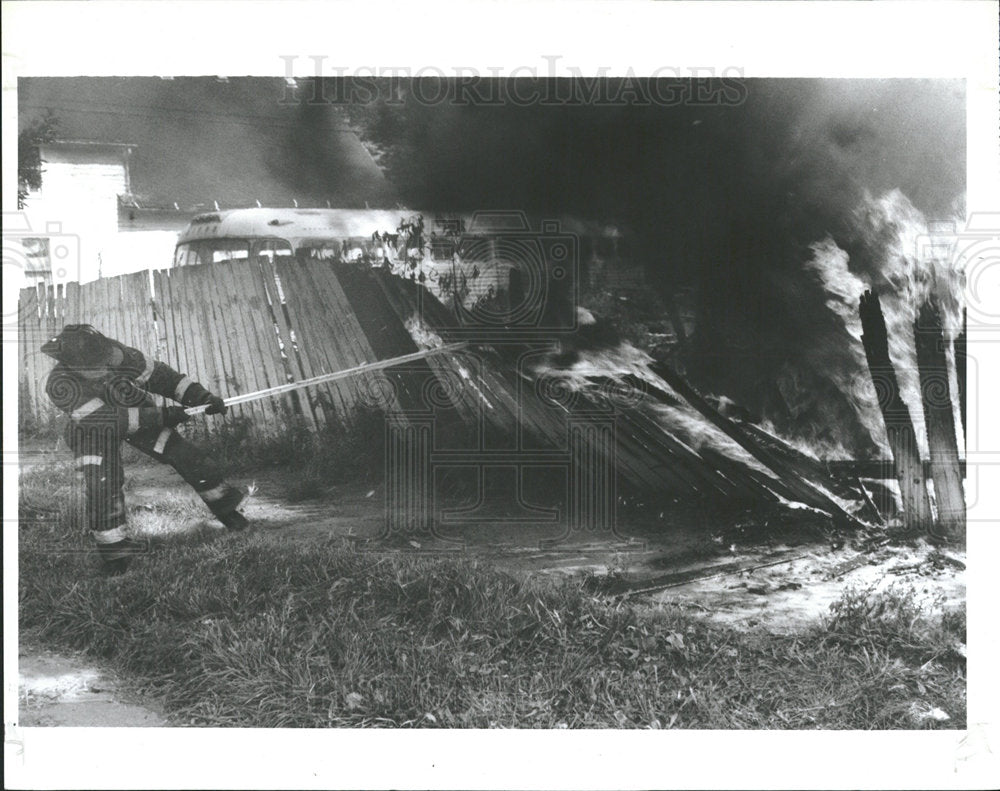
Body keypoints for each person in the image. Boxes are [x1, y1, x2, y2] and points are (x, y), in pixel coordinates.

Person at [41, 324, 248, 574]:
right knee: (102, 481)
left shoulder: (120, 354)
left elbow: (167, 379)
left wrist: (203, 399)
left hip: (136, 410)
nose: (108, 367)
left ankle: (228, 512)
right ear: (72, 365)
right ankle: (115, 553)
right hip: (92, 430)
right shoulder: (59, 384)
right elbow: (107, 420)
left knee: (185, 455)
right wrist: (162, 416)